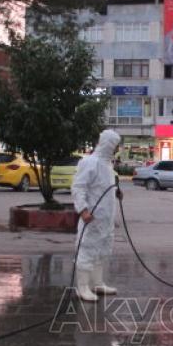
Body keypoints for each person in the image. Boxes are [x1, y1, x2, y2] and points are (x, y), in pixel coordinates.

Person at [72, 129, 122, 302]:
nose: (117, 149)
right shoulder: (89, 162)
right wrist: (83, 210)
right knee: (87, 250)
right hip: (91, 218)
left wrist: (116, 193)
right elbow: (79, 188)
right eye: (115, 146)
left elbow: (102, 188)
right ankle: (83, 287)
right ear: (108, 145)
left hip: (105, 219)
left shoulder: (108, 165)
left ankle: (97, 283)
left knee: (101, 251)